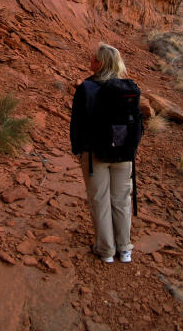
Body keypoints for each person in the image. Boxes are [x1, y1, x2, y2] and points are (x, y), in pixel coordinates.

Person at [70, 42, 141, 263]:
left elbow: (77, 124)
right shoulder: (128, 88)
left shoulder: (87, 88)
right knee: (121, 200)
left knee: (100, 201)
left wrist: (79, 149)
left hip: (95, 155)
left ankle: (106, 250)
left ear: (100, 63)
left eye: (93, 58)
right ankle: (125, 249)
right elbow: (138, 123)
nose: (90, 60)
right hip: (124, 153)